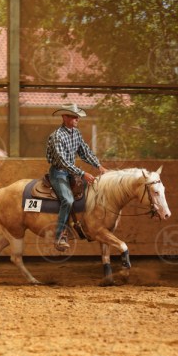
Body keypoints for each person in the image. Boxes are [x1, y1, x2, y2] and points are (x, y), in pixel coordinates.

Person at [46, 103, 108, 251]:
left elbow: (85, 152)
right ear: (64, 117)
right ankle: (59, 236)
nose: (77, 119)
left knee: (93, 192)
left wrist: (98, 166)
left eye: (77, 116)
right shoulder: (57, 136)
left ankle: (90, 226)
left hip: (71, 173)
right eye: (74, 116)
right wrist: (82, 173)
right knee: (67, 200)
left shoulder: (76, 133)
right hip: (59, 172)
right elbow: (63, 161)